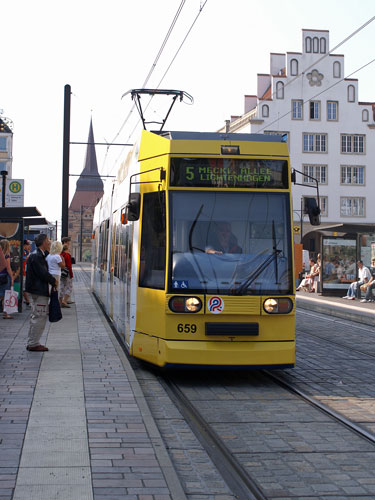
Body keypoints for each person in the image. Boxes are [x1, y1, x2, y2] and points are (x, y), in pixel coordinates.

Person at [25, 234, 56, 351]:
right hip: (39, 290)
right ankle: (33, 343)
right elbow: (42, 273)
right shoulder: (37, 256)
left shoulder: (38, 255)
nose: (49, 242)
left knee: (37, 315)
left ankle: (33, 341)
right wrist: (53, 281)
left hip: (36, 289)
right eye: (48, 240)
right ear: (43, 242)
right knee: (39, 316)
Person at [0, 239, 15, 319]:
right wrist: (12, 278)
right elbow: (8, 267)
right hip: (4, 276)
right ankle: (6, 313)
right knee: (5, 296)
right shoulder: (6, 255)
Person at [60, 243, 74, 308]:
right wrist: (71, 274)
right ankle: (64, 301)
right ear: (67, 249)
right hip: (67, 273)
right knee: (69, 287)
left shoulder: (60, 254)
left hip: (61, 273)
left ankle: (60, 301)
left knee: (62, 286)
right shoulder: (67, 255)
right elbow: (69, 266)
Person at [22, 240, 32, 307]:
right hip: (22, 272)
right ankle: (27, 300)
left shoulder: (26, 252)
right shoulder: (22, 252)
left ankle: (27, 300)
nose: (29, 246)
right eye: (28, 245)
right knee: (23, 287)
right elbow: (22, 259)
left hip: (25, 271)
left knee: (24, 287)